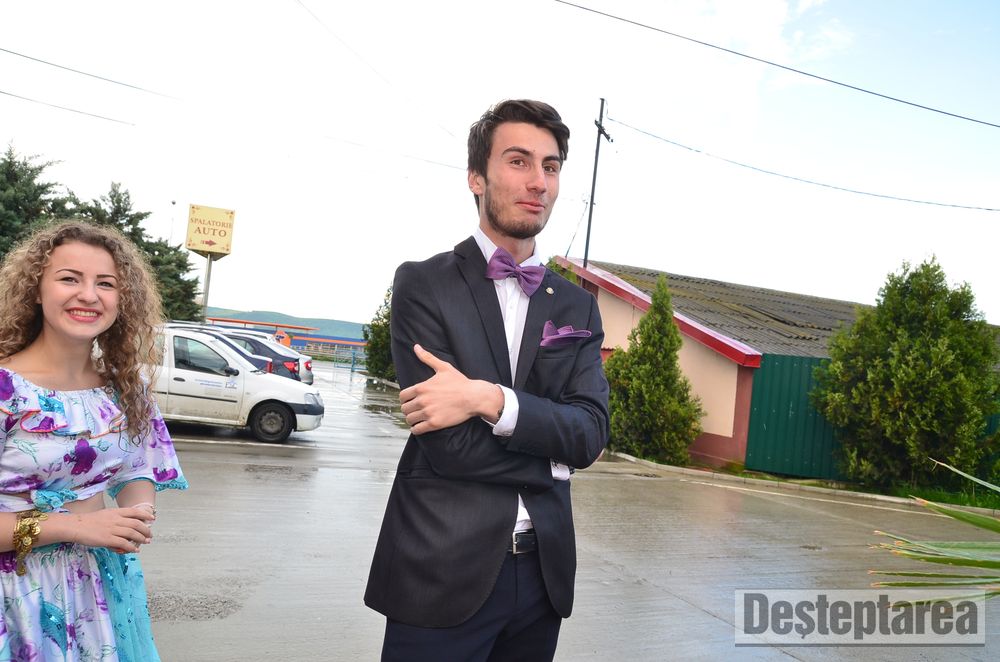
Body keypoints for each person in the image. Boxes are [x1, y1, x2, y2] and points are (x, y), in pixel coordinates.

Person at [365, 99, 609, 661]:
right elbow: (451, 447)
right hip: (440, 570)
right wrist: (556, 461)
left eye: (550, 166)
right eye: (518, 161)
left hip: (543, 579)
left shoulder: (577, 307)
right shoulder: (424, 284)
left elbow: (591, 432)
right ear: (477, 177)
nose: (539, 181)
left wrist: (486, 399)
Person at [0, 221, 188, 661]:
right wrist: (77, 526)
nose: (89, 295)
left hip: (98, 590)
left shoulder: (126, 388)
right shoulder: (6, 390)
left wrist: (137, 515)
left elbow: (138, 469)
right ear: (36, 289)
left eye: (106, 283)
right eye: (69, 279)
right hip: (14, 596)